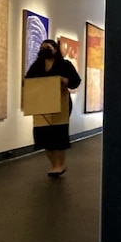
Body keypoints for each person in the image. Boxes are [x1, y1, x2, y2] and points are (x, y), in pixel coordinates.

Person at [25, 39, 81, 177]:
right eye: (42, 47)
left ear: (55, 49)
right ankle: (53, 164)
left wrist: (64, 81)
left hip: (61, 105)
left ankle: (59, 165)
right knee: (43, 136)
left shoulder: (65, 65)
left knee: (58, 135)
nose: (45, 49)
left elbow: (75, 81)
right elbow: (28, 81)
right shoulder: (36, 66)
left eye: (48, 47)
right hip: (42, 105)